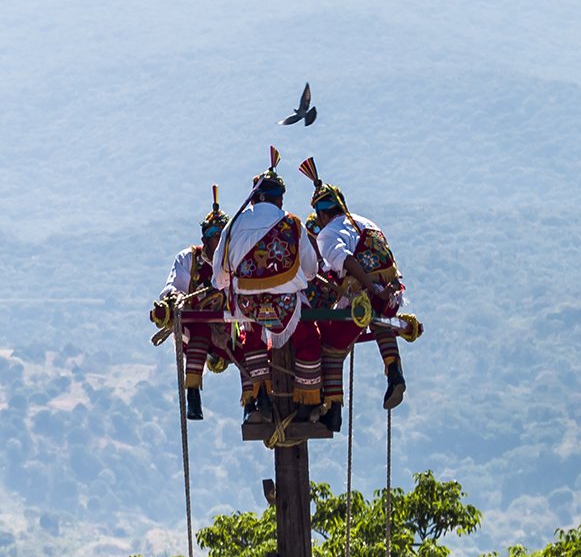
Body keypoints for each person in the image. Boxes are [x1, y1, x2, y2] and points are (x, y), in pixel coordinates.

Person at [212, 148, 322, 423]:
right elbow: (311, 272)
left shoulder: (233, 225)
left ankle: (259, 399)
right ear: (279, 198)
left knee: (250, 339)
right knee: (309, 339)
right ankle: (307, 404)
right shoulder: (292, 224)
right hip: (286, 305)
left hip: (248, 305)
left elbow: (219, 277)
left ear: (255, 196)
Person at [301, 157, 408, 411]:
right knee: (379, 318)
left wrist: (371, 289)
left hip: (366, 296)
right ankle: (394, 369)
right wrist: (381, 292)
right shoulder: (367, 222)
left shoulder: (328, 233)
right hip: (394, 295)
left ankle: (333, 408)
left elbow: (346, 260)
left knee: (329, 342)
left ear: (322, 214)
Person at [150, 186, 236, 420]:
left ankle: (256, 403)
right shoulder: (189, 258)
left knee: (252, 343)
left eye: (224, 237)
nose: (220, 243)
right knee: (198, 332)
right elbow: (173, 287)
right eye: (215, 237)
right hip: (196, 327)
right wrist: (175, 298)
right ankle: (193, 394)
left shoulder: (237, 260)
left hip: (229, 326)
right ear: (205, 239)